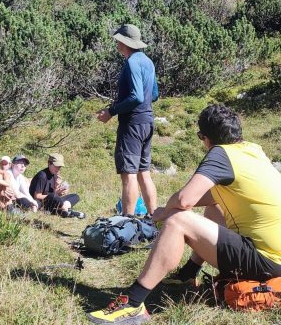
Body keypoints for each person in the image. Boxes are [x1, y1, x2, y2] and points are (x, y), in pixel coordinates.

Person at [87, 104, 281, 324]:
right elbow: (212, 196)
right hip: (275, 256)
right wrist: (171, 208)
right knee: (213, 208)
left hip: (266, 261)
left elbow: (184, 199)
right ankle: (187, 274)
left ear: (206, 138)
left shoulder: (221, 153)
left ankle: (133, 303)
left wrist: (165, 212)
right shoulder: (253, 150)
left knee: (178, 221)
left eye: (201, 137)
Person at [96, 24, 158, 217]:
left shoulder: (131, 63)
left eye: (118, 40)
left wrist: (112, 111)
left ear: (124, 42)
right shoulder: (148, 62)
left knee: (128, 175)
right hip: (147, 122)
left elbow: (136, 97)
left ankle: (127, 222)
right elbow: (154, 94)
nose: (116, 44)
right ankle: (154, 219)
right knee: (143, 173)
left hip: (132, 125)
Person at [29, 153, 84, 218]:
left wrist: (58, 189)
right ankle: (66, 210)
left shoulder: (54, 175)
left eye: (59, 167)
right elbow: (37, 196)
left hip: (52, 201)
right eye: (56, 166)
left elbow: (53, 193)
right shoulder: (42, 176)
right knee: (53, 196)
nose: (58, 169)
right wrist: (54, 195)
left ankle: (62, 210)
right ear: (49, 163)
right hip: (41, 203)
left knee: (75, 196)